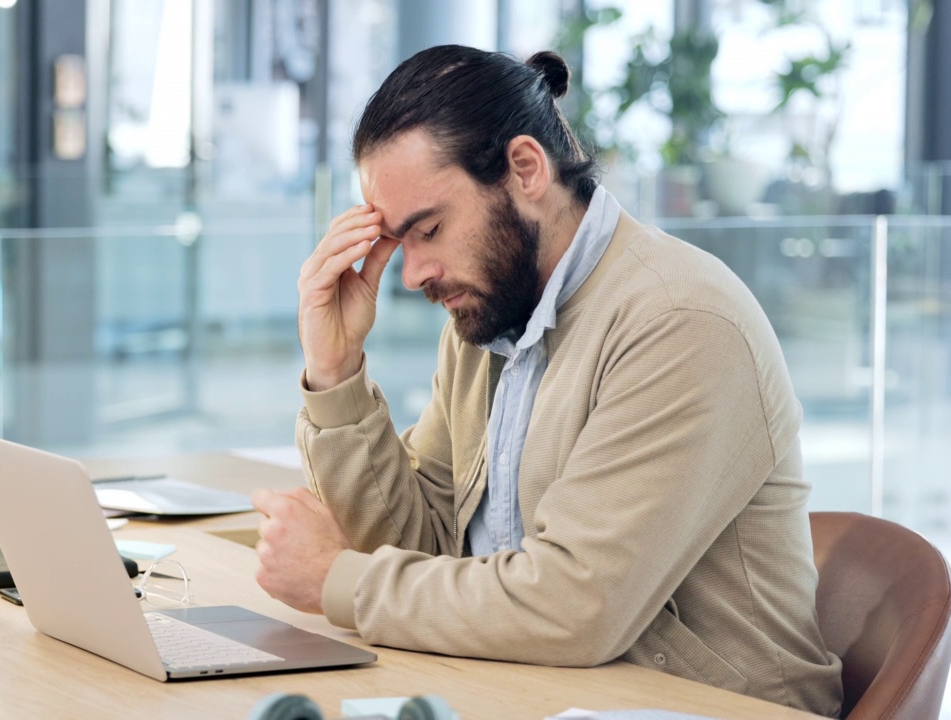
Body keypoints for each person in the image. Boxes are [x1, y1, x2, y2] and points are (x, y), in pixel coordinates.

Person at [250, 45, 843, 716]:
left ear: (525, 169)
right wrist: (336, 373)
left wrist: (336, 578)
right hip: (541, 691)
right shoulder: (491, 315)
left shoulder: (679, 321)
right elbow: (417, 548)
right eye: (397, 241)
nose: (411, 274)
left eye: (430, 229)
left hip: (705, 706)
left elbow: (575, 606)